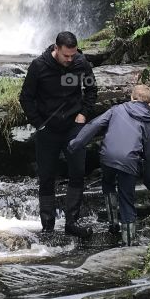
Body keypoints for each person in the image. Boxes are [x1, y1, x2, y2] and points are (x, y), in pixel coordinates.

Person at [19, 31, 97, 238]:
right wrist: (38, 124)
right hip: (48, 128)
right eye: (66, 56)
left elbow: (91, 90)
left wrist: (84, 113)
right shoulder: (39, 66)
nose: (70, 60)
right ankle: (47, 226)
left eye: (73, 55)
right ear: (56, 49)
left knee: (78, 172)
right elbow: (26, 97)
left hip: (74, 126)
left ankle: (72, 222)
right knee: (46, 176)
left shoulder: (81, 63)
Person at [67, 83, 150, 244]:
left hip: (107, 157)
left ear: (131, 97)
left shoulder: (116, 110)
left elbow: (93, 125)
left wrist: (76, 144)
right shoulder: (147, 122)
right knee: (126, 199)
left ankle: (113, 223)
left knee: (108, 183)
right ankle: (128, 244)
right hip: (129, 162)